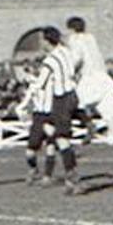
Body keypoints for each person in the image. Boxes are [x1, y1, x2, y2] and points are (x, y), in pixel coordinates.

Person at [65, 16, 113, 183]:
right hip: (107, 82)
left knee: (69, 105)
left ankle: (89, 125)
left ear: (71, 29)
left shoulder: (74, 39)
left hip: (90, 80)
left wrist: (68, 71)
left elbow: (76, 59)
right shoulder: (91, 37)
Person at [38, 26, 83, 195]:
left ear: (47, 41)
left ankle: (73, 178)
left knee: (61, 139)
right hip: (72, 96)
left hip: (61, 99)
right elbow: (77, 65)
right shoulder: (66, 52)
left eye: (42, 39)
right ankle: (69, 155)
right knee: (51, 130)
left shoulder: (49, 60)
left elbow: (40, 84)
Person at [15, 60, 60, 186]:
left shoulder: (54, 83)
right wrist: (22, 115)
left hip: (52, 116)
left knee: (50, 147)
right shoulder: (33, 87)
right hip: (38, 117)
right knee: (30, 151)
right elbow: (22, 105)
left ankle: (47, 176)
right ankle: (33, 168)